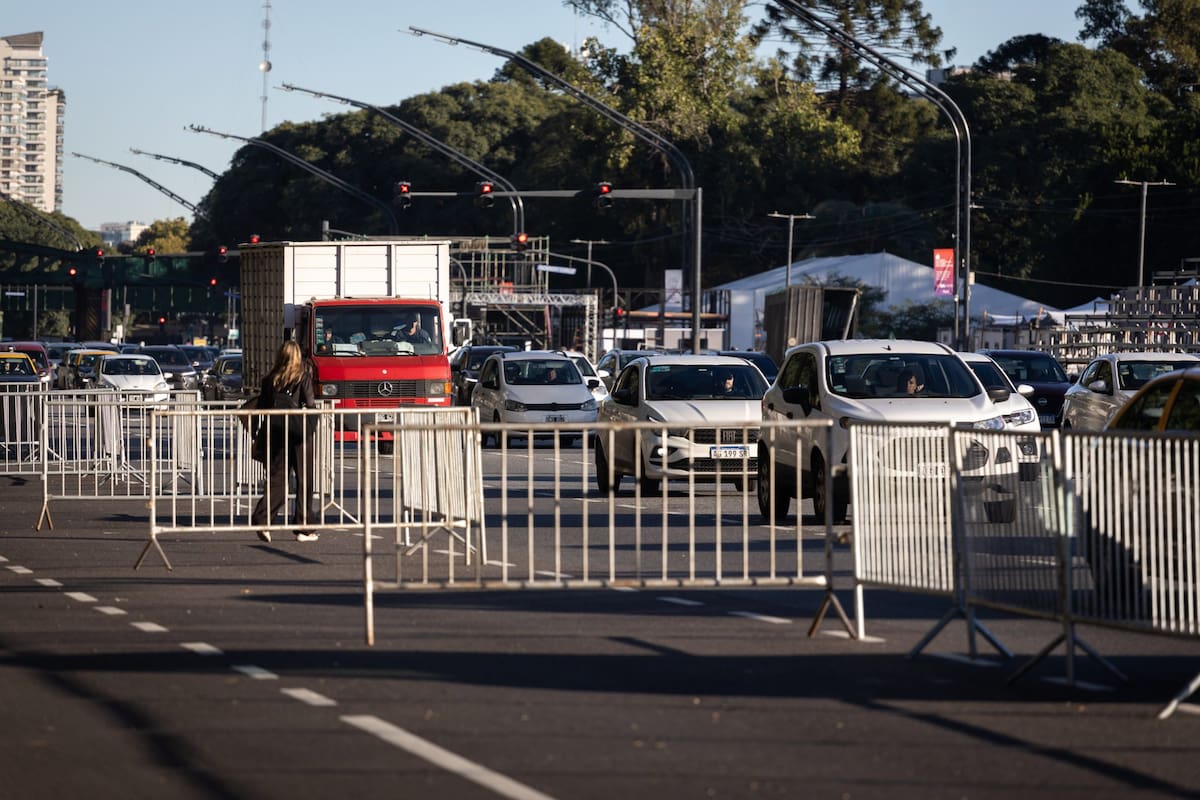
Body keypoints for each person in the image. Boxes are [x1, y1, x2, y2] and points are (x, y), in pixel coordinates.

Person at [250, 340, 321, 543]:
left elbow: (261, 408)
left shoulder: (270, 380)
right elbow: (309, 404)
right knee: (303, 480)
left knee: (278, 478)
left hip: (277, 433)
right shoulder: (303, 378)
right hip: (299, 435)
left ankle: (262, 519)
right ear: (298, 357)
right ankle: (303, 527)